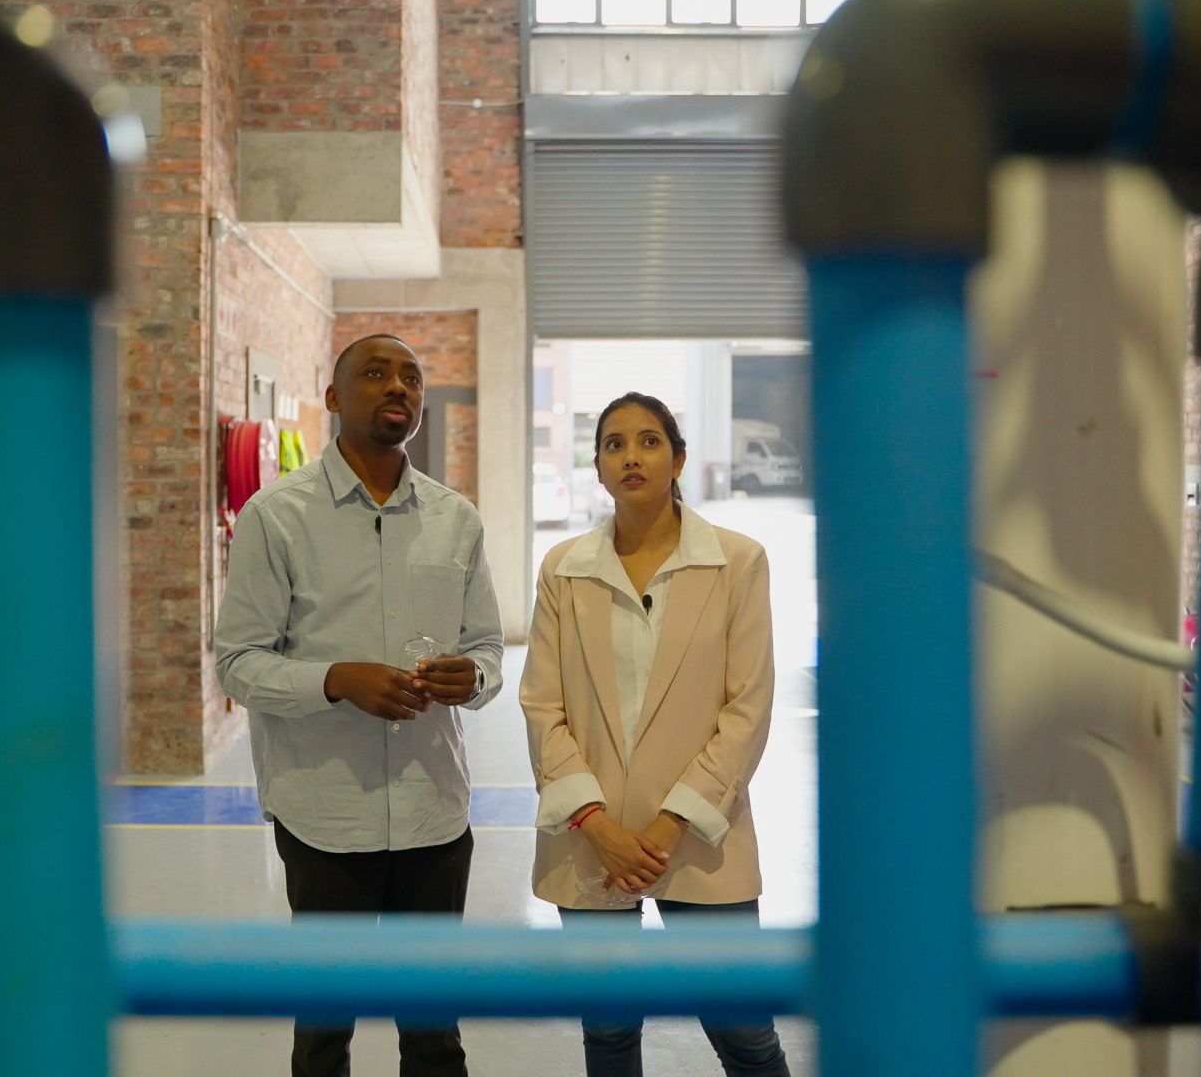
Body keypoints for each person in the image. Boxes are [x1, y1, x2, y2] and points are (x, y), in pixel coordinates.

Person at [215, 333, 505, 1077]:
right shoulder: (275, 517)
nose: (397, 387)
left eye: (411, 375)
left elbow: (489, 652)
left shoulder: (455, 519)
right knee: (322, 1031)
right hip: (325, 816)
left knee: (435, 1031)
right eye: (375, 373)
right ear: (335, 398)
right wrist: (334, 679)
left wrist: (467, 678)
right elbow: (238, 663)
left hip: (432, 815)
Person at [521, 392, 789, 1077]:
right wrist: (598, 826)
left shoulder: (737, 561)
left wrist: (672, 825)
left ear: (678, 459)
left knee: (745, 1033)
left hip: (701, 834)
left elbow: (747, 707)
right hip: (592, 836)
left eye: (647, 441)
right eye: (614, 444)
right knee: (608, 1033)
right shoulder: (563, 569)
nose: (630, 456)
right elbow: (542, 706)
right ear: (600, 468)